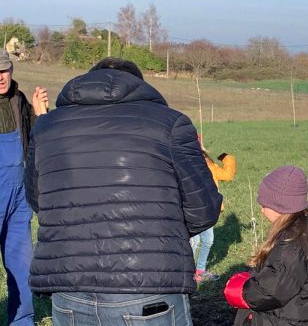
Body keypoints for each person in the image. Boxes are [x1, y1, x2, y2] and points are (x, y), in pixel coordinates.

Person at [25, 58, 222, 324]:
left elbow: (38, 199)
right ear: (139, 85)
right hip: (148, 284)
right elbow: (204, 208)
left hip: (69, 287)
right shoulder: (170, 124)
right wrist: (159, 231)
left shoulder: (46, 127)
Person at [225, 166, 308, 326]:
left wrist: (242, 291)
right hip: (300, 316)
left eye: (265, 204)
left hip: (285, 320)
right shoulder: (304, 229)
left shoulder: (294, 244)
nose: (262, 209)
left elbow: (272, 291)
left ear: (281, 206)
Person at [0, 50, 47, 325]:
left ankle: (22, 320)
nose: (0, 77)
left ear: (12, 70)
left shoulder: (18, 101)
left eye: (4, 70)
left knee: (21, 264)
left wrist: (41, 114)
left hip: (18, 197)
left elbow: (37, 141)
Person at [191, 143, 237, 283]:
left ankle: (200, 270)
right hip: (192, 208)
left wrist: (226, 158)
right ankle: (188, 273)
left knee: (208, 241)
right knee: (195, 242)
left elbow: (227, 175)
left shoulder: (210, 166)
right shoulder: (186, 166)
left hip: (209, 209)